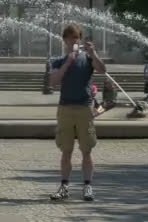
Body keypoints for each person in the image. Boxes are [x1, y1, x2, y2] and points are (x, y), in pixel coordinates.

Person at [49, 24, 106, 202]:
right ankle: (64, 186)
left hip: (84, 108)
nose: (74, 40)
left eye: (76, 37)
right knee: (66, 151)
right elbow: (53, 81)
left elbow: (102, 70)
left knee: (86, 150)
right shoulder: (57, 60)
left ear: (80, 39)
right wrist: (68, 62)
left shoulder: (88, 59)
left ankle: (87, 186)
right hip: (65, 108)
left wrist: (93, 53)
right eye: (70, 37)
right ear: (64, 40)